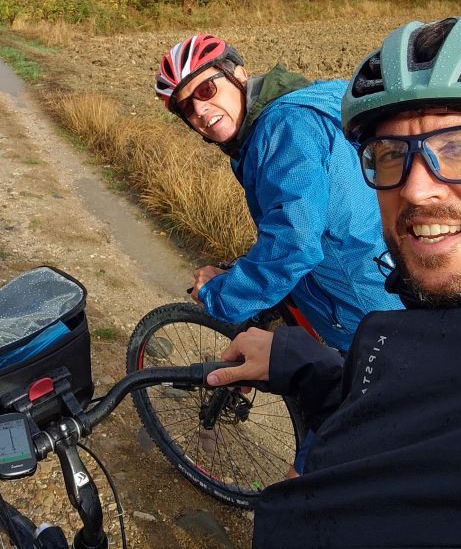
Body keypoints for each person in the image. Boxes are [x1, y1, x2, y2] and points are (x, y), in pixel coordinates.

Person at [208, 11, 461, 546]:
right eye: (393, 153)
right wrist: (311, 368)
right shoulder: (437, 321)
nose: (417, 190)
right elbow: (420, 404)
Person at [155, 34, 402, 354]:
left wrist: (220, 295)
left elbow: (294, 243)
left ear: (239, 74)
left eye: (206, 89)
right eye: (187, 107)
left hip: (367, 315)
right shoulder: (306, 100)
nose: (200, 109)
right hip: (389, 278)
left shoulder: (283, 129)